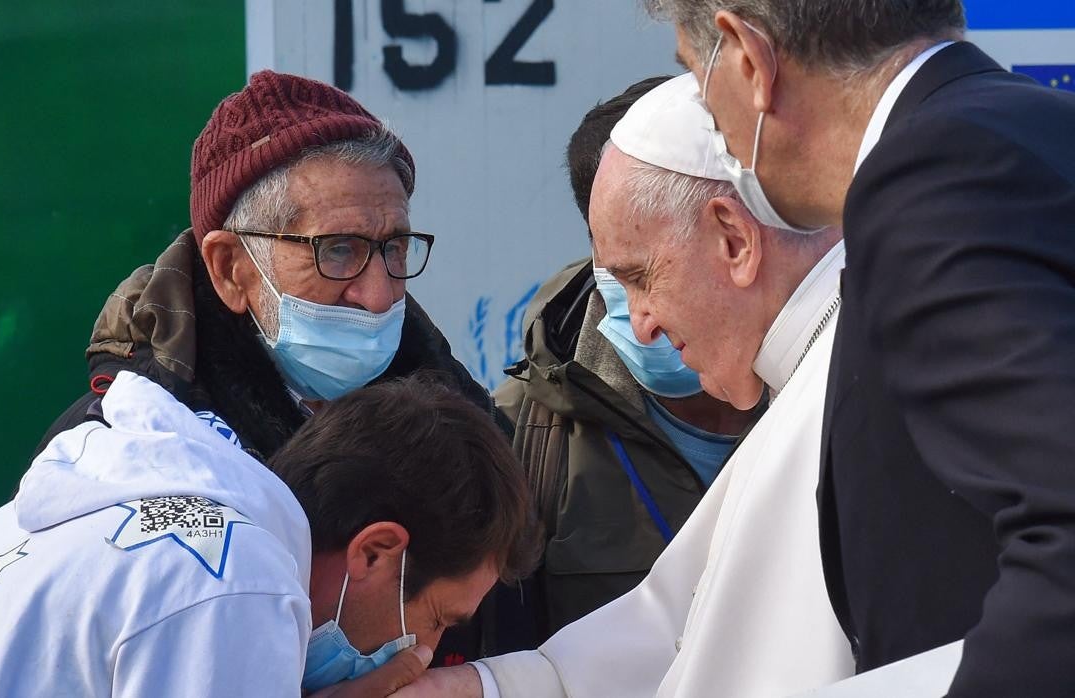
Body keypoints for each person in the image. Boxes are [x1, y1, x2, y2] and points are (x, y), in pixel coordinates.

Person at [651, 0, 1075, 693]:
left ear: (749, 57)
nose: (716, 128)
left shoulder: (930, 178)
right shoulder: (1026, 128)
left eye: (701, 84)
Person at [398, 73, 851, 698]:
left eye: (641, 276)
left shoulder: (879, 379)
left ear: (735, 240)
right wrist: (489, 688)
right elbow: (681, 621)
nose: (638, 322)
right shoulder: (812, 371)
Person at [33, 69, 500, 666]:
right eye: (338, 250)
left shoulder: (463, 423)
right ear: (231, 268)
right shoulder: (121, 451)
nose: (380, 294)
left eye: (395, 248)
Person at [0, 371, 541, 696]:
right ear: (376, 551)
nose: (420, 658)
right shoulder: (238, 586)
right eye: (437, 621)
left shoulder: (173, 512)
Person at [492, 75, 756, 646]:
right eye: (620, 273)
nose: (642, 319)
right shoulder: (521, 435)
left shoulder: (837, 392)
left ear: (736, 234)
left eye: (651, 270)